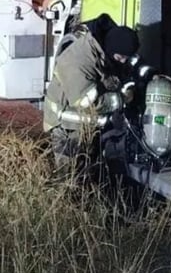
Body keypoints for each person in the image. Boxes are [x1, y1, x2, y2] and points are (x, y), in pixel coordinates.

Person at [42, 13, 140, 166]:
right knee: (70, 178)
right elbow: (86, 103)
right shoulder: (78, 61)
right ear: (113, 50)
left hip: (90, 125)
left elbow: (116, 77)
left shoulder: (106, 52)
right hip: (67, 125)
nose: (123, 61)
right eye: (122, 57)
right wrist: (122, 99)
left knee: (89, 171)